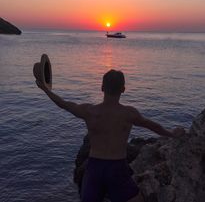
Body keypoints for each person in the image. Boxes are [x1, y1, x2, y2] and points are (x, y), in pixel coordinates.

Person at [36, 69, 185, 202]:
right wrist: (171, 133)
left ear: (102, 88)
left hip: (94, 168)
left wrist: (46, 89)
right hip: (117, 168)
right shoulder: (128, 113)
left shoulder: (90, 111)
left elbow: (63, 104)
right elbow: (153, 126)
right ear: (123, 89)